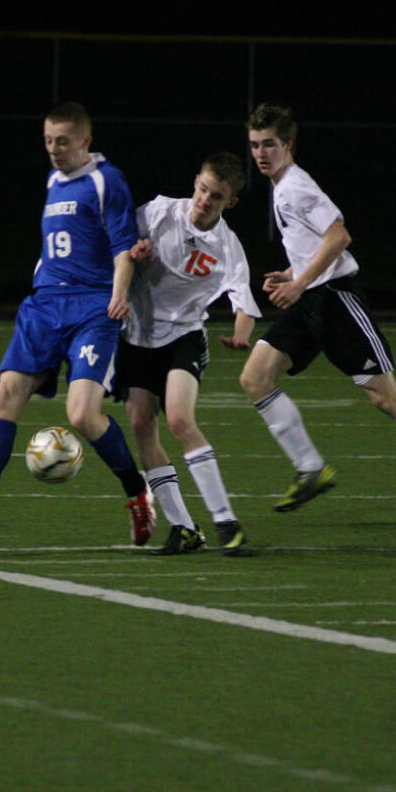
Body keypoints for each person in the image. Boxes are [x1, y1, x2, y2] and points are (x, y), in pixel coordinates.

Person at [239, 103, 396, 527]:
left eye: (269, 145)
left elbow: (339, 236)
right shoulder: (281, 186)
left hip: (336, 300)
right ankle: (311, 468)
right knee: (255, 378)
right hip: (309, 301)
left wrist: (300, 283)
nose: (261, 153)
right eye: (254, 145)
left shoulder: (297, 186)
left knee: (386, 397)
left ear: (288, 145)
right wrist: (293, 274)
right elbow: (315, 242)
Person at [0, 102, 156, 544]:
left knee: (83, 415)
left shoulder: (106, 180)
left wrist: (117, 295)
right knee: (5, 393)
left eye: (63, 142)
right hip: (45, 306)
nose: (54, 149)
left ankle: (137, 492)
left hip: (93, 308)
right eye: (48, 141)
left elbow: (123, 246)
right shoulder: (54, 180)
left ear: (86, 142)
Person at [118, 152, 261, 556]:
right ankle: (183, 526)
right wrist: (133, 253)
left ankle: (225, 520)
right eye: (202, 189)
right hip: (137, 336)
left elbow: (244, 301)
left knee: (180, 418)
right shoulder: (160, 211)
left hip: (183, 337)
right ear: (195, 181)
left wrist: (240, 334)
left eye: (215, 197)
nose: (203, 200)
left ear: (229, 202)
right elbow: (119, 244)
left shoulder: (227, 246)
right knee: (141, 424)